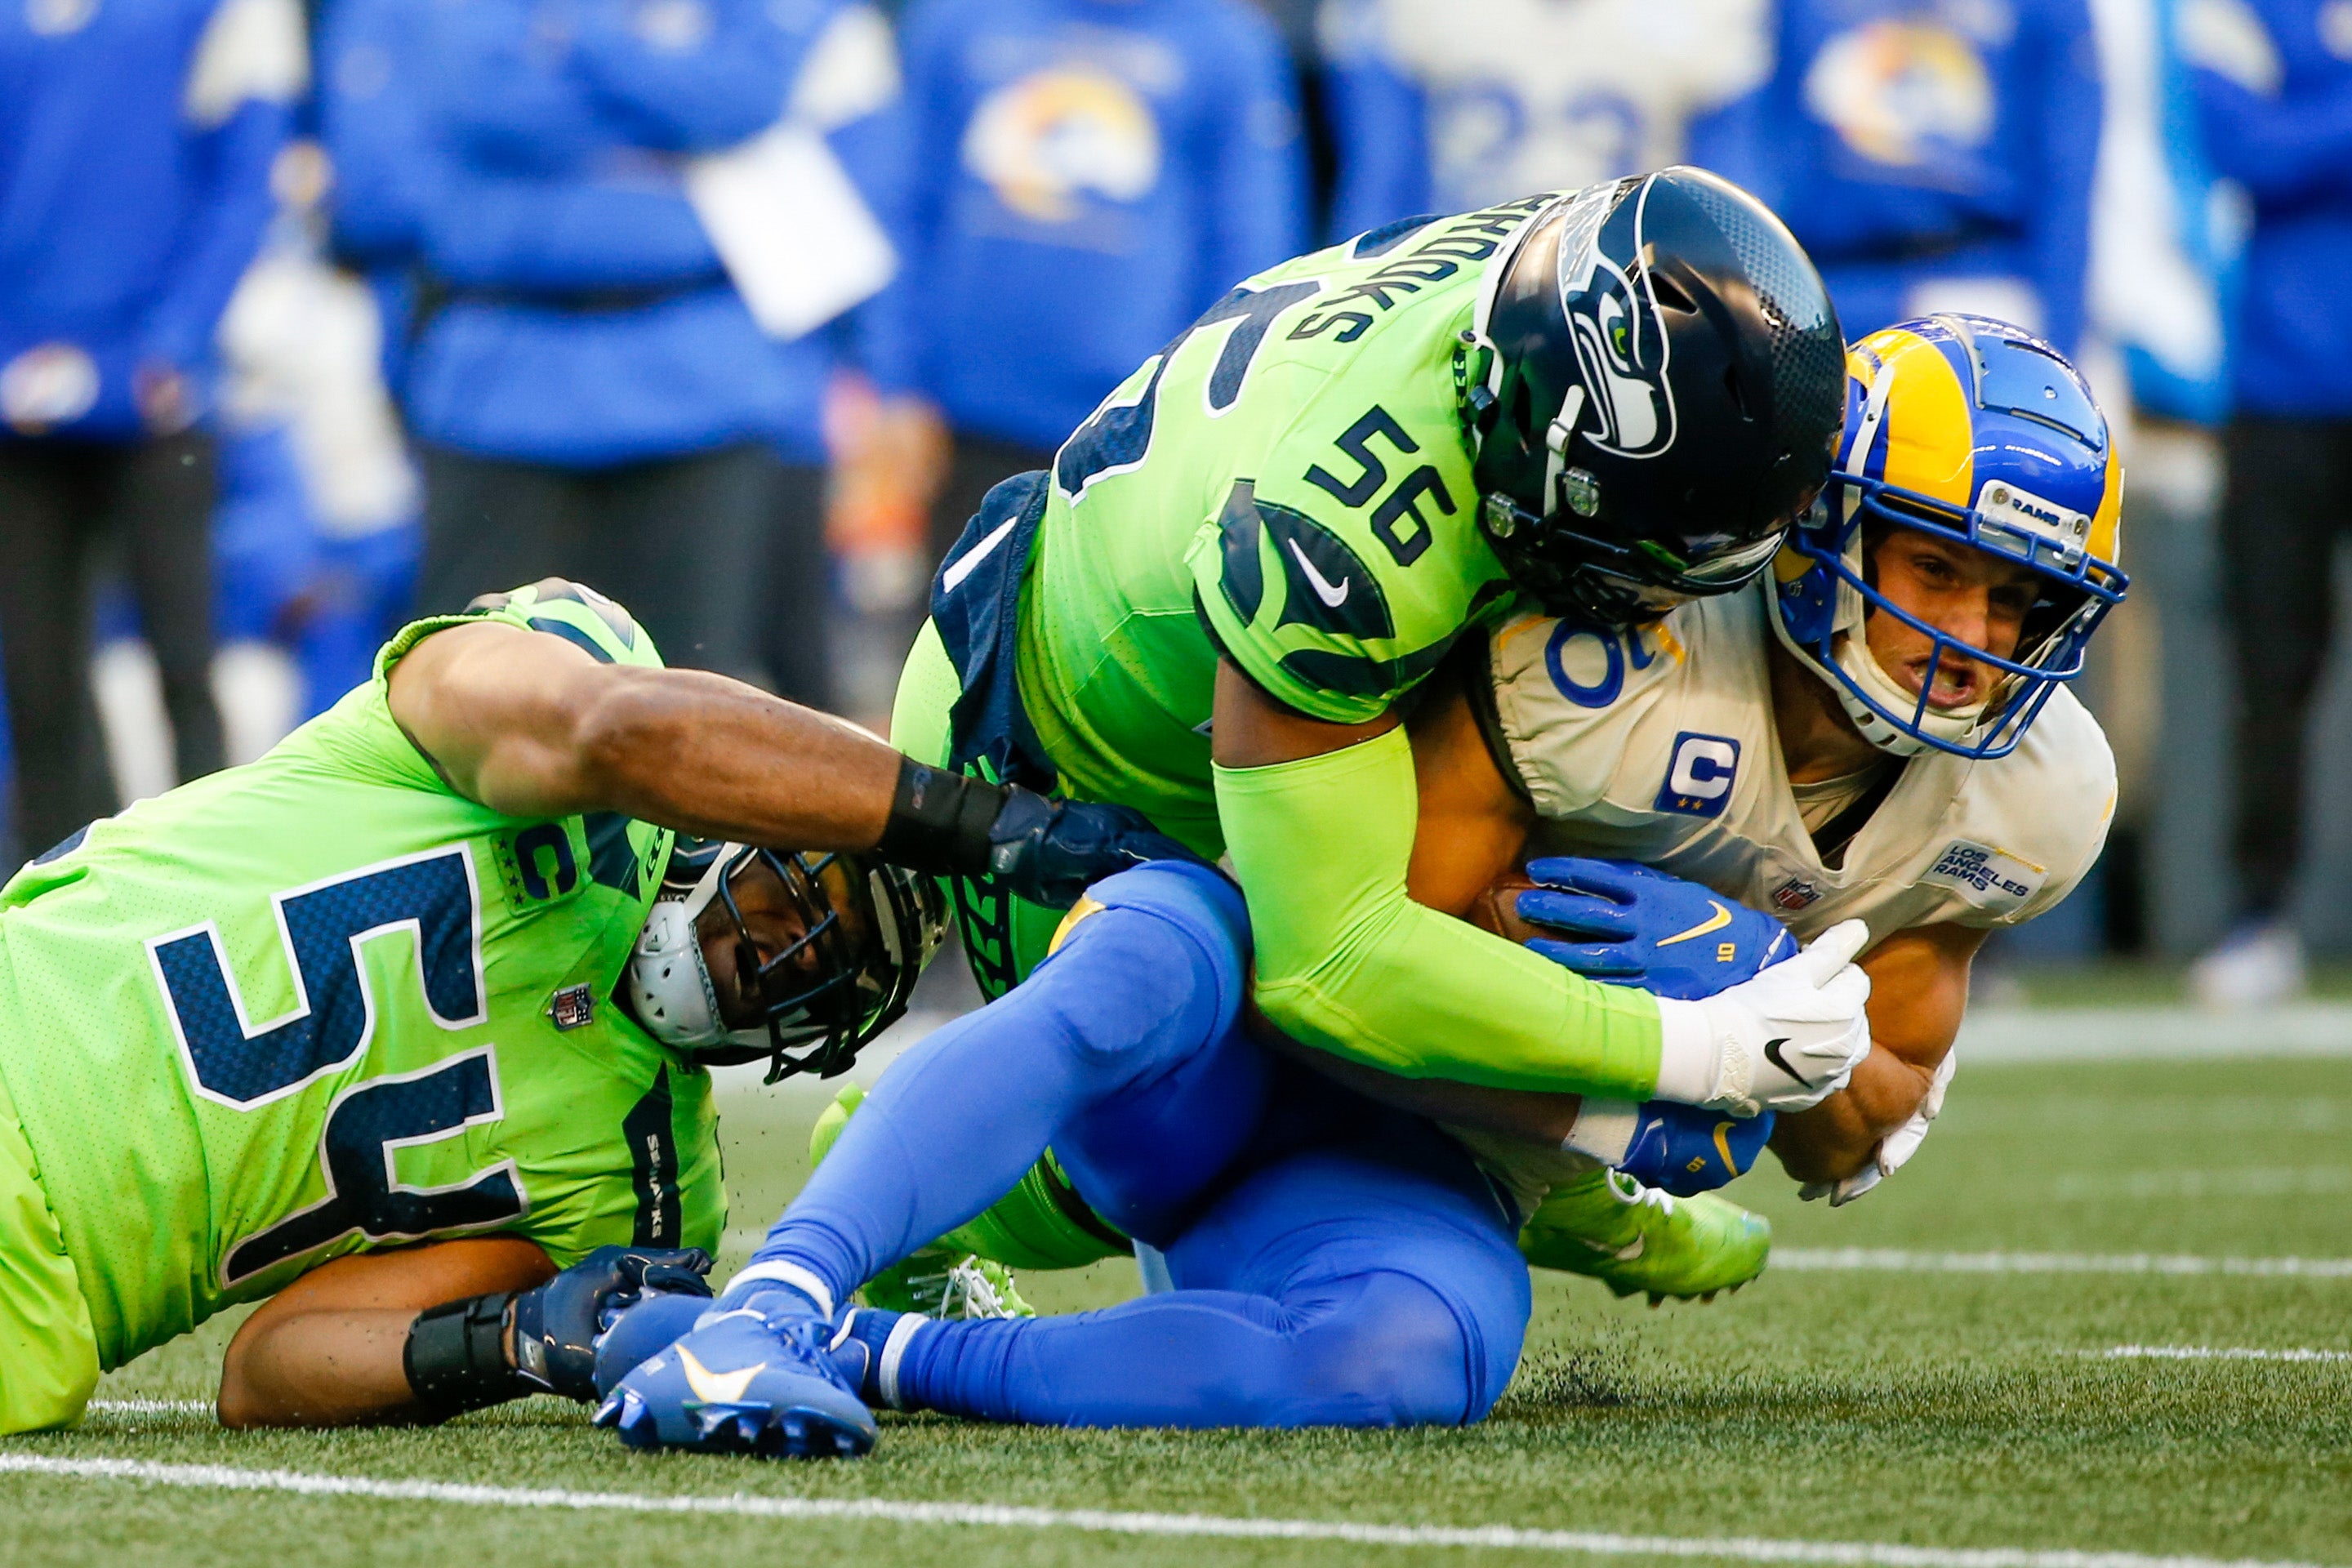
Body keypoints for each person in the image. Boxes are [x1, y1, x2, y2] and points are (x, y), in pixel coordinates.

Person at [594, 315, 2125, 1454]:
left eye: (2023, 597)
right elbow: (1337, 971)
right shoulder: (1604, 646)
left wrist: (1806, 1034)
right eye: (1937, 567)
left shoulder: (2035, 797)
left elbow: (1862, 1126)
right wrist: (1658, 1079)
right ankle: (769, 1305)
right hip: (1266, 1001)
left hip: (1434, 1156)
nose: (1974, 632)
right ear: (1820, 524)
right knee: (1164, 951)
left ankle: (871, 1356)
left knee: (1411, 1362)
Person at [0, 577, 1174, 1435]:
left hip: (45, 1312)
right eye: (799, 901)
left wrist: (511, 1342)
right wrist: (983, 828)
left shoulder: (646, 1194)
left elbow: (268, 1369)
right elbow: (616, 727)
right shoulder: (577, 680)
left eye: (843, 979)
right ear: (750, 811)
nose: (789, 965)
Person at [394, 0, 893, 692]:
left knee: (686, 704)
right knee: (466, 695)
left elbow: (741, 96)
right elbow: (478, 96)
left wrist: (572, 38)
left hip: (698, 387)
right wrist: (667, 86)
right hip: (503, 388)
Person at [857, 0, 1310, 573]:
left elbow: (1252, 255)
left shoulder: (1228, 44)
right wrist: (895, 384)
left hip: (1133, 442)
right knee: (949, 651)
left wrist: (1206, 426)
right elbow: (901, 207)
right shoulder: (957, 19)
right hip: (960, 424)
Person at [0, 0, 302, 860]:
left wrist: (168, 346)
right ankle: (51, 908)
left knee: (185, 663)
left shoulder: (220, 13)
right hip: (17, 409)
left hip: (159, 400)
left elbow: (245, 178)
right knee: (37, 685)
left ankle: (217, 884)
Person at [2181, 0, 2352, 1006]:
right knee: (2272, 670)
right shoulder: (2238, 13)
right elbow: (2245, 150)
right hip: (2281, 392)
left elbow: (2293, 145)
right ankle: (2262, 913)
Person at [1699, 0, 2104, 355]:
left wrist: (2057, 346)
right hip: (1826, 285)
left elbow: (2068, 186)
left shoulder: (2051, 10)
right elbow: (1745, 155)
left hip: (1976, 287)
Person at [1317, 0, 1771, 243]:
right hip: (1453, 284)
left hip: (1637, 291)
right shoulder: (1408, 14)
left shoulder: (1714, 14)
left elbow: (1728, 215)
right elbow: (1381, 197)